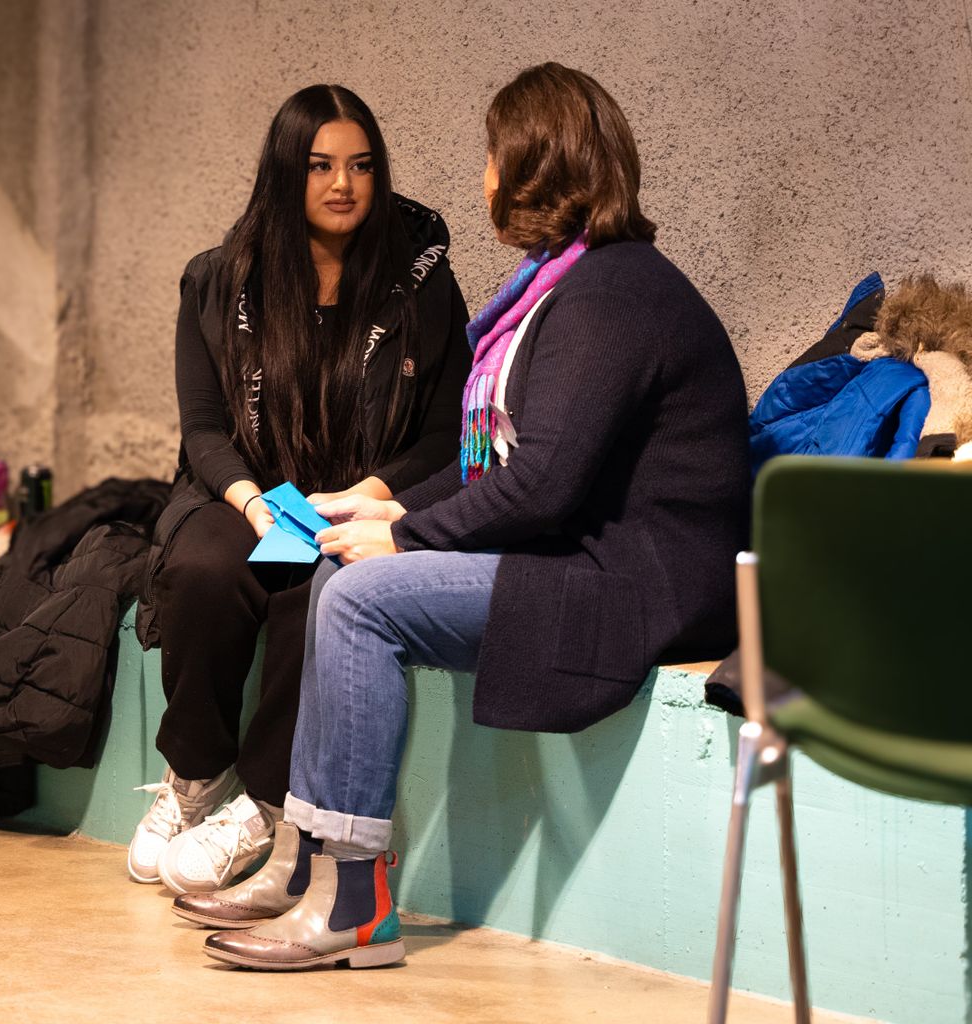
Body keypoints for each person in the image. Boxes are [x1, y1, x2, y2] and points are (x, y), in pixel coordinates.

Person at [173, 62, 752, 969]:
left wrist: (400, 534)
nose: (482, 175)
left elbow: (544, 485)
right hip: (585, 558)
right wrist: (384, 507)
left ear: (528, 166)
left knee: (361, 597)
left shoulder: (614, 294)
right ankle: (305, 860)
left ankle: (353, 903)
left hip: (638, 586)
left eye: (492, 154)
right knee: (338, 569)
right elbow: (509, 466)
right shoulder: (567, 285)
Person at [128, 84, 470, 894]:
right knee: (206, 570)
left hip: (361, 497)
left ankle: (271, 806)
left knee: (316, 587)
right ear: (288, 172)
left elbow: (443, 433)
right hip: (244, 492)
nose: (343, 184)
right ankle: (195, 777)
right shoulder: (218, 282)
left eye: (360, 165)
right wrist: (251, 501)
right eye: (320, 166)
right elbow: (204, 430)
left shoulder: (420, 285)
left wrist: (368, 492)